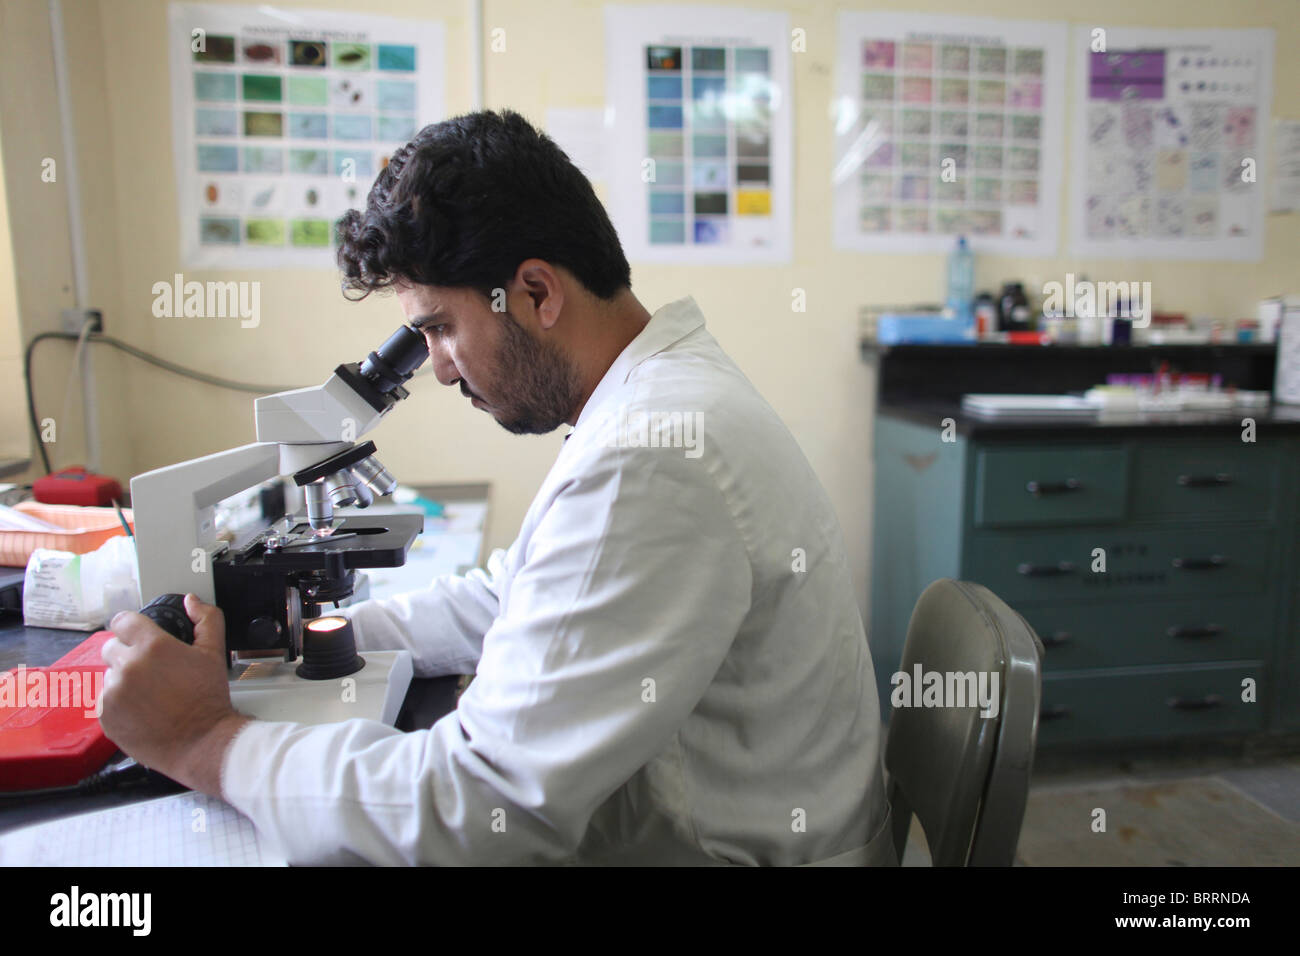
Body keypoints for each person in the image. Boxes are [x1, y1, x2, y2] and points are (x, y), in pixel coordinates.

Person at [100, 109, 894, 866]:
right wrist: (313, 637)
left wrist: (204, 739)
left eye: (441, 327)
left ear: (538, 292)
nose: (439, 368)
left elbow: (475, 814)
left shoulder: (651, 454)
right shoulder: (657, 399)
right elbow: (511, 596)